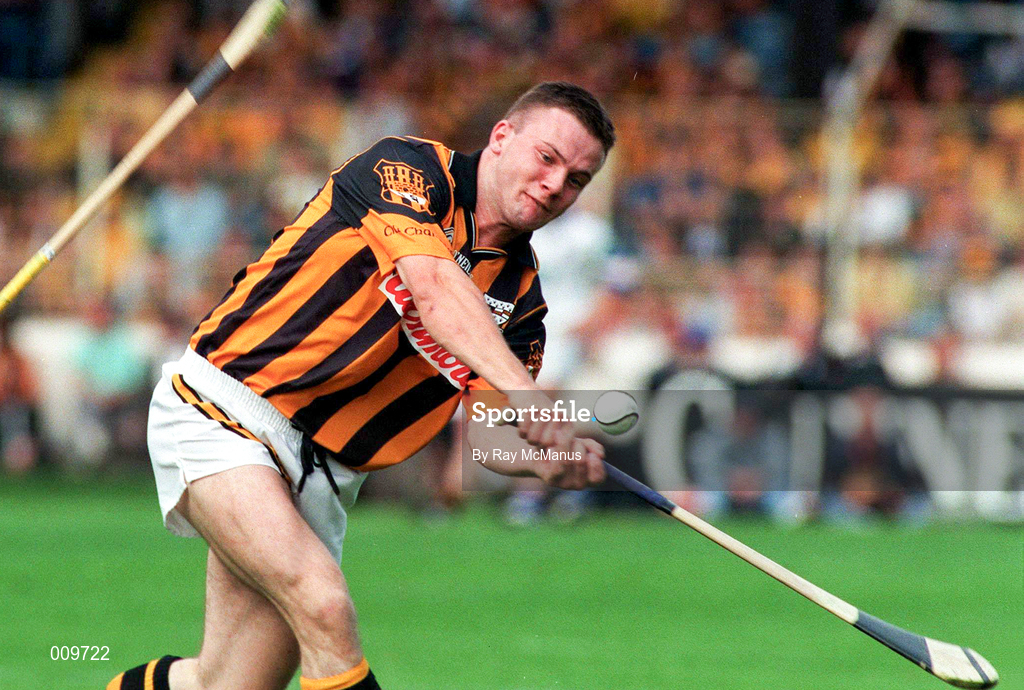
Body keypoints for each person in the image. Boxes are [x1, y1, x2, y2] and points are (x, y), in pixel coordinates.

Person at [107, 81, 615, 690]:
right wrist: (525, 393)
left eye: (577, 179)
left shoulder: (524, 303)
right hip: (226, 410)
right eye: (548, 158)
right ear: (502, 138)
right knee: (325, 609)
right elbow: (432, 286)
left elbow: (485, 441)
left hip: (322, 477)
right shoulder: (407, 169)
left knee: (226, 683)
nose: (556, 185)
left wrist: (546, 465)